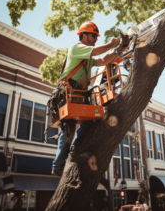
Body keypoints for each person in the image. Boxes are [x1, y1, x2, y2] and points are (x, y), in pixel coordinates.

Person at [52, 21, 129, 176]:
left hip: (79, 94)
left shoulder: (86, 58)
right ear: (84, 35)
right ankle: (58, 165)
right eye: (93, 36)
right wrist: (111, 43)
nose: (95, 39)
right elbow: (95, 52)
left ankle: (76, 149)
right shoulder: (77, 48)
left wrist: (119, 49)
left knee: (90, 121)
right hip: (67, 92)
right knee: (68, 130)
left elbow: (102, 60)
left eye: (96, 37)